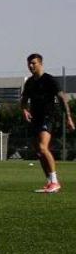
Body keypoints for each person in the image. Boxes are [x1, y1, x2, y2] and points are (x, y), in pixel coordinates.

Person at [21, 54, 74, 193]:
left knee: (43, 147)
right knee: (39, 151)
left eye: (33, 63)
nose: (31, 66)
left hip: (48, 117)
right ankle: (50, 181)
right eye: (29, 64)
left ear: (40, 63)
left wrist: (68, 118)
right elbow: (24, 99)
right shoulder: (30, 82)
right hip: (35, 119)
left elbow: (62, 98)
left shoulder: (49, 80)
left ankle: (55, 182)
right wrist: (24, 110)